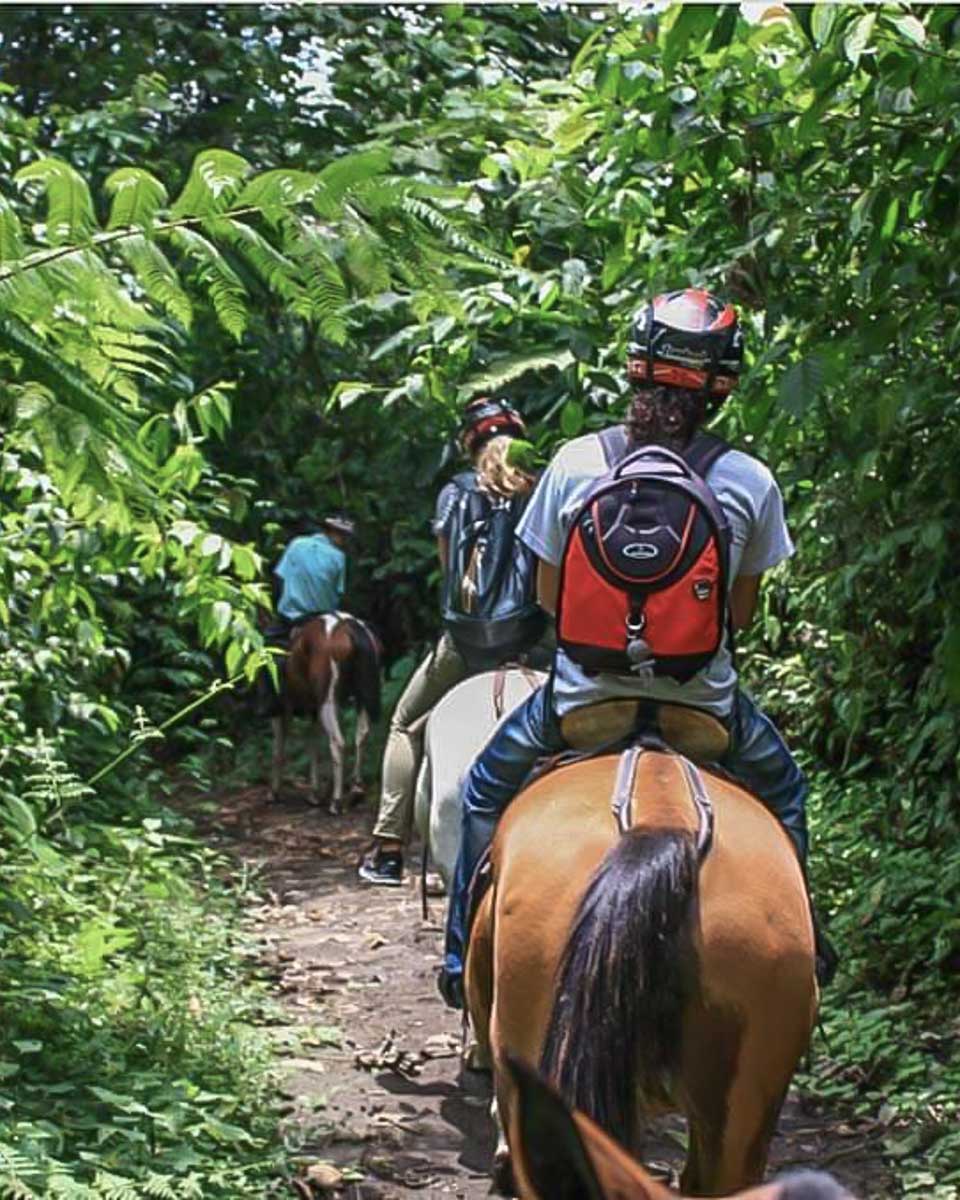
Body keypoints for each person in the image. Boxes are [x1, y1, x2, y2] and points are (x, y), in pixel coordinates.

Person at [438, 288, 837, 1008]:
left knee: (482, 793)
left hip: (583, 704)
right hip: (703, 708)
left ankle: (461, 949)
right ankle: (811, 945)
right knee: (786, 792)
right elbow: (737, 616)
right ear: (721, 388)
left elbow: (549, 600)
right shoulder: (749, 482)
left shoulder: (574, 463)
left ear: (635, 369)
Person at [358, 397, 546, 887]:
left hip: (466, 645)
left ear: (470, 443)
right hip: (532, 640)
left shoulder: (454, 494)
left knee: (403, 725)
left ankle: (388, 847)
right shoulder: (539, 491)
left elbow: (450, 573)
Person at [255, 514, 356, 715]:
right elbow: (339, 592)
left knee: (266, 655)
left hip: (290, 616)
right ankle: (347, 696)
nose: (344, 540)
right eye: (342, 535)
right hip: (322, 618)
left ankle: (268, 704)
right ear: (332, 533)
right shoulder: (339, 557)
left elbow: (280, 577)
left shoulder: (296, 545)